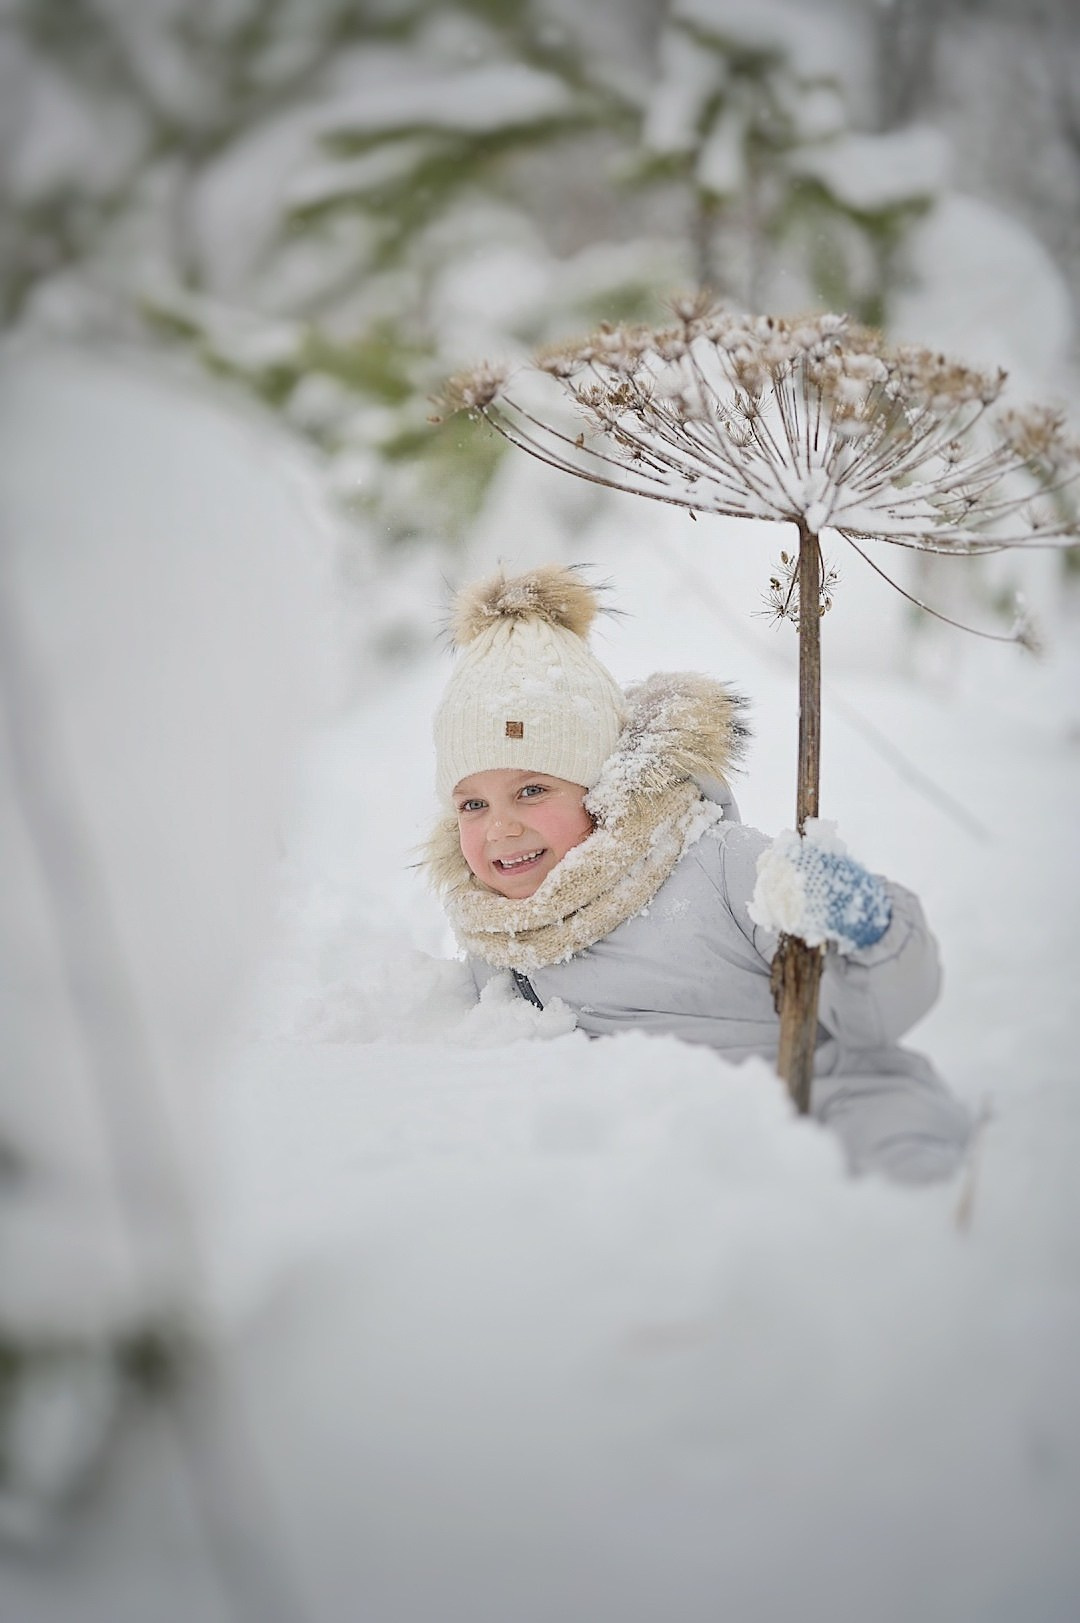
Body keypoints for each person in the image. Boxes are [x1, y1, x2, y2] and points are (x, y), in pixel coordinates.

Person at [423, 564, 972, 1183]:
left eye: (530, 789)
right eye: (474, 804)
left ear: (602, 787)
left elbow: (879, 1017)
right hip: (678, 1170)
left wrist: (869, 931)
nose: (500, 828)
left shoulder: (718, 865)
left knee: (903, 1202)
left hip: (834, 1105)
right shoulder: (497, 934)